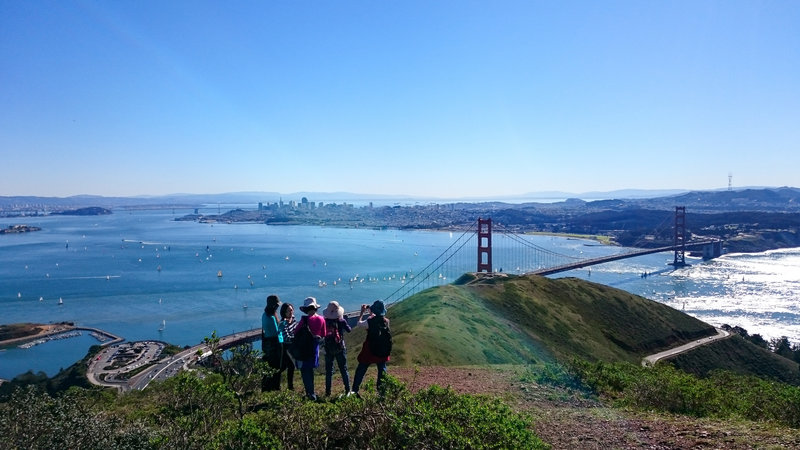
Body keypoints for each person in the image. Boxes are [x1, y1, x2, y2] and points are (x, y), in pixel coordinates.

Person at [350, 300, 391, 397]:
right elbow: (377, 318)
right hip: (382, 349)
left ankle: (355, 390)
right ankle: (382, 393)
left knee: (361, 368)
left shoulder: (369, 321)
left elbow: (359, 323)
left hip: (370, 349)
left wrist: (361, 312)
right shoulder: (386, 321)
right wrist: (371, 312)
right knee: (382, 369)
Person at [296, 296, 326, 400]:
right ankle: (312, 392)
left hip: (304, 349)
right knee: (310, 371)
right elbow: (324, 333)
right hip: (315, 348)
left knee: (305, 372)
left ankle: (310, 394)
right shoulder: (321, 319)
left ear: (305, 309)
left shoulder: (304, 320)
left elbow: (296, 332)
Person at [322, 300, 352, 396]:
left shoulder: (324, 321)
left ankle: (328, 392)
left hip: (328, 348)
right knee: (343, 369)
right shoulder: (341, 321)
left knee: (329, 371)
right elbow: (349, 330)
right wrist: (344, 320)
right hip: (340, 347)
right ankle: (347, 390)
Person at [261, 294, 282, 391]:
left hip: (266, 345)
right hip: (274, 345)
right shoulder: (272, 317)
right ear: (274, 306)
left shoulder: (264, 315)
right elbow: (277, 332)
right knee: (276, 367)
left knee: (268, 367)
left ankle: (266, 387)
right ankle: (275, 387)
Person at [277, 302, 296, 390]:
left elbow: (295, 331)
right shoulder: (282, 323)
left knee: (284, 367)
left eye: (291, 310)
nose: (290, 312)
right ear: (284, 312)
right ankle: (290, 387)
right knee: (291, 366)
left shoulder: (293, 319)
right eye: (288, 311)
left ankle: (275, 383)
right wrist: (297, 338)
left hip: (291, 347)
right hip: (284, 347)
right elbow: (286, 337)